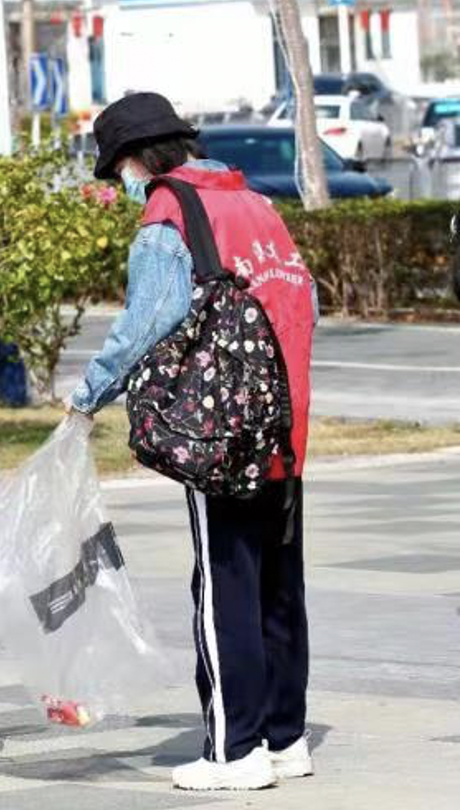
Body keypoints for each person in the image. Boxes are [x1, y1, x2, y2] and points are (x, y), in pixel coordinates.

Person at [67, 93, 316, 791]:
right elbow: (308, 303)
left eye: (119, 168)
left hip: (223, 435)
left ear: (137, 160)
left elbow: (145, 324)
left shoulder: (168, 216)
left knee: (223, 587)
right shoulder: (259, 206)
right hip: (287, 426)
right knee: (278, 584)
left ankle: (235, 750)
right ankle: (285, 736)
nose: (123, 183)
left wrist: (87, 397)